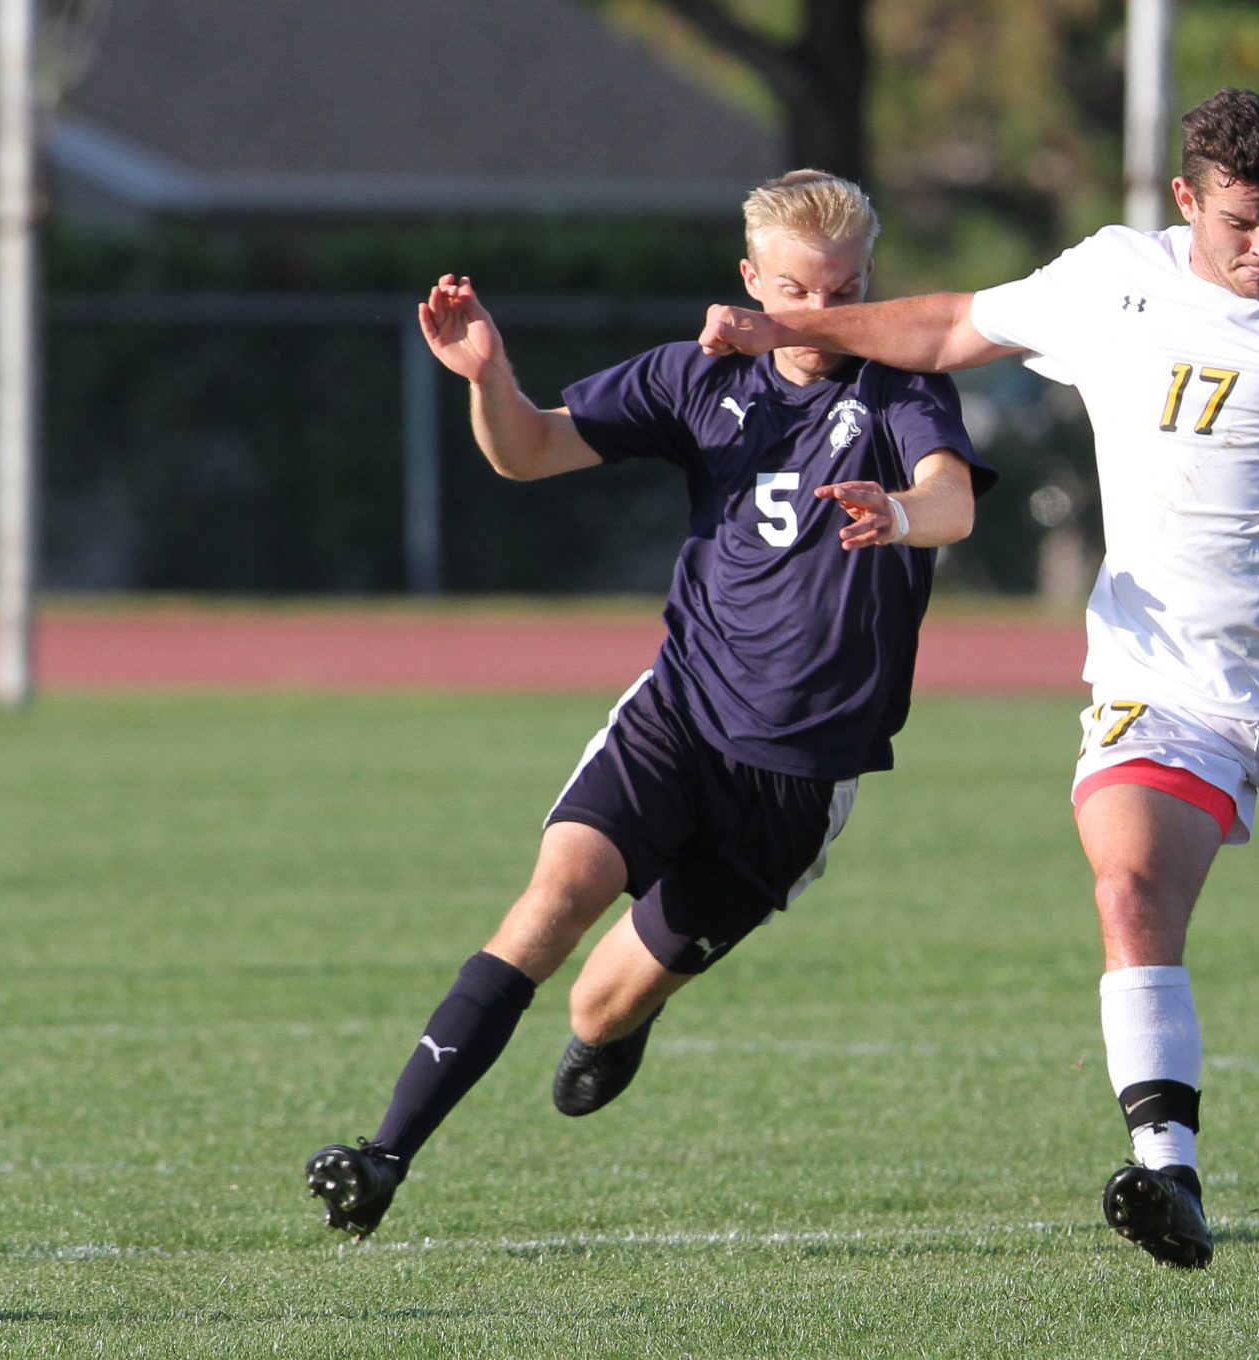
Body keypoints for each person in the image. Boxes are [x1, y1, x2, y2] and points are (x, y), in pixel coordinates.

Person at [697, 90, 1259, 1270]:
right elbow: (942, 328)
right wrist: (778, 334)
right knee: (1129, 884)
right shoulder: (1109, 280)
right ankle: (1165, 1175)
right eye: (1239, 222)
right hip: (1162, 678)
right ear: (1184, 199)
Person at [306, 170, 993, 1243]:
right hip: (677, 715)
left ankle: (617, 1027)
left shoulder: (902, 391)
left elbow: (951, 500)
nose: (821, 315)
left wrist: (898, 512)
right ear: (750, 280)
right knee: (546, 911)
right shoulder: (697, 381)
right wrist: (487, 376)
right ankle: (383, 1152)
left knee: (596, 1004)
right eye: (798, 292)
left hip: (797, 779)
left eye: (847, 289)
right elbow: (528, 449)